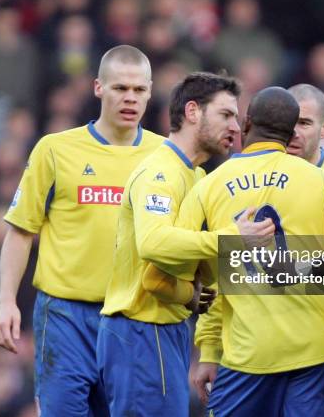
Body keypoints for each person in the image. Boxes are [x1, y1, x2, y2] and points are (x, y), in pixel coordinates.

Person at [0, 45, 164, 417]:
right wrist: (7, 301)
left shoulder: (166, 157)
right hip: (65, 317)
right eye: (120, 88)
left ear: (150, 92)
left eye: (138, 90)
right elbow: (21, 231)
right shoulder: (55, 149)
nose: (130, 98)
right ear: (98, 87)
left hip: (134, 317)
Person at [97, 72, 275, 416]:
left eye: (236, 118)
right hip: (140, 328)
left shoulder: (197, 176)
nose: (236, 128)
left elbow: (193, 256)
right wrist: (230, 238)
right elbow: (154, 241)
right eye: (226, 115)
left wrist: (192, 294)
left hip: (167, 326)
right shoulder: (160, 173)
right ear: (192, 112)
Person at [168, 87, 324, 416]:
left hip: (247, 352)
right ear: (290, 132)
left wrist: (208, 349)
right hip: (314, 351)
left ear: (246, 125)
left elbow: (198, 268)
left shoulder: (209, 186)